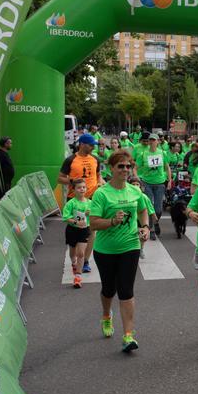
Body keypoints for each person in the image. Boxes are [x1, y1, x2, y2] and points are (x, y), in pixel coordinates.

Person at [88, 150, 150, 353]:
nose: (125, 169)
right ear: (111, 168)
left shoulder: (135, 191)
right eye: (120, 166)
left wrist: (145, 227)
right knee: (109, 289)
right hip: (105, 250)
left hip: (130, 247)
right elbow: (94, 224)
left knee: (126, 290)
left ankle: (128, 335)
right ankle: (106, 315)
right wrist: (112, 221)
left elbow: (142, 210)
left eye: (127, 166)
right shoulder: (102, 193)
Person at [58, 133, 102, 273]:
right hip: (75, 201)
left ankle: (86, 261)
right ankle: (76, 257)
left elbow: (98, 174)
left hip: (92, 200)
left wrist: (100, 183)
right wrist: (72, 181)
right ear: (82, 144)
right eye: (91, 145)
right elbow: (60, 179)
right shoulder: (71, 160)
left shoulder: (95, 159)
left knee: (91, 230)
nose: (93, 147)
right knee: (78, 229)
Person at [134, 133, 171, 240]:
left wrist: (169, 181)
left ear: (158, 142)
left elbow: (167, 167)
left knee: (158, 209)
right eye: (150, 140)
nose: (152, 142)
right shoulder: (143, 154)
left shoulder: (162, 153)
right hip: (147, 183)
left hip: (160, 183)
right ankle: (151, 229)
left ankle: (156, 222)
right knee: (150, 207)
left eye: (154, 140)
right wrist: (138, 180)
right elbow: (135, 168)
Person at [62, 178, 92, 289]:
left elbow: (96, 214)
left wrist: (91, 213)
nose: (82, 189)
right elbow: (65, 217)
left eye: (84, 187)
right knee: (72, 252)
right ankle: (73, 263)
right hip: (72, 230)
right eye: (79, 187)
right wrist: (76, 222)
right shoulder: (71, 203)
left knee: (81, 253)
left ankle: (78, 277)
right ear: (74, 190)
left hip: (84, 230)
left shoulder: (90, 203)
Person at [129, 175, 156, 259]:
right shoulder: (127, 196)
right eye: (133, 184)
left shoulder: (143, 196)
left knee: (142, 236)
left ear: (141, 186)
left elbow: (149, 207)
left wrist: (153, 215)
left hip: (141, 220)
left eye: (137, 184)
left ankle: (141, 248)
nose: (135, 186)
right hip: (131, 219)